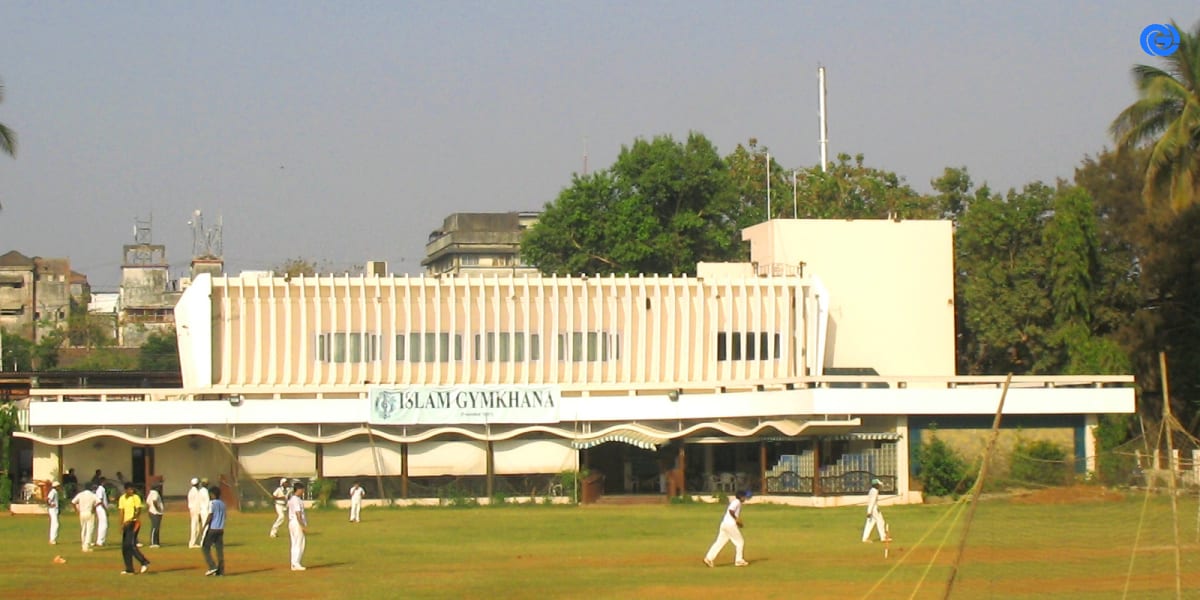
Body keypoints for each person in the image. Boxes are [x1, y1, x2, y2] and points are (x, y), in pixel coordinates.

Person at [704, 490, 749, 568]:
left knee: (719, 542)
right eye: (744, 496)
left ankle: (709, 558)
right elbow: (731, 510)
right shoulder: (737, 502)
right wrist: (736, 519)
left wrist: (737, 522)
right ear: (741, 497)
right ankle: (739, 560)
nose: (745, 498)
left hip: (725, 524)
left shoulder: (736, 502)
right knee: (740, 542)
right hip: (730, 525)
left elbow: (731, 512)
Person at [117, 482, 151, 575]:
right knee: (125, 547)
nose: (132, 491)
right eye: (130, 489)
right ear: (126, 490)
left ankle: (144, 562)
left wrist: (131, 519)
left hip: (134, 523)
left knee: (131, 545)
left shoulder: (135, 498)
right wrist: (121, 524)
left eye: (132, 489)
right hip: (126, 524)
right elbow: (121, 512)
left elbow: (138, 511)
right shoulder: (122, 498)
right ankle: (129, 569)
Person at [201, 485, 227, 576]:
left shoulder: (212, 503)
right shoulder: (223, 504)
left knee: (205, 547)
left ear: (212, 494)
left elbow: (210, 515)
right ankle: (221, 571)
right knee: (219, 550)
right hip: (220, 529)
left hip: (213, 529)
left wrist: (204, 526)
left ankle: (212, 566)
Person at [72, 483, 99, 552]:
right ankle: (86, 546)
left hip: (82, 513)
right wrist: (94, 508)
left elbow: (73, 502)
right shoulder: (92, 495)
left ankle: (83, 545)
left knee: (83, 529)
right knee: (89, 529)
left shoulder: (80, 494)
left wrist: (76, 510)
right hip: (89, 512)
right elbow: (99, 502)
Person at [862, 478, 891, 543]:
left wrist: (869, 511)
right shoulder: (875, 491)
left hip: (872, 509)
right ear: (876, 485)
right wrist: (869, 511)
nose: (879, 486)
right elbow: (872, 502)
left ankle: (865, 538)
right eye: (878, 485)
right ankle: (883, 537)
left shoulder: (872, 490)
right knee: (881, 521)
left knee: (870, 523)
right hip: (874, 509)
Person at [287, 482, 308, 571]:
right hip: (296, 522)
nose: (303, 491)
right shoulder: (295, 500)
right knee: (299, 543)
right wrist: (302, 525)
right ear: (298, 490)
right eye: (302, 490)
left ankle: (294, 563)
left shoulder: (292, 499)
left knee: (295, 543)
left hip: (292, 522)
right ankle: (296, 563)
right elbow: (298, 513)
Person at [187, 477, 204, 548]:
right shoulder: (196, 492)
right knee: (195, 527)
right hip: (195, 510)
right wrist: (199, 512)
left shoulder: (191, 491)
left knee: (195, 526)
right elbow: (197, 503)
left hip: (192, 509)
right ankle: (192, 543)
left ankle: (193, 542)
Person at [146, 483, 164, 548]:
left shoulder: (150, 493)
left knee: (156, 527)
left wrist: (148, 510)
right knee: (155, 527)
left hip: (153, 512)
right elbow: (154, 501)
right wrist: (158, 508)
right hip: (155, 513)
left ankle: (156, 542)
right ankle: (153, 543)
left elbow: (147, 503)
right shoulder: (155, 493)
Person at [94, 477, 110, 547]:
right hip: (101, 508)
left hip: (100, 508)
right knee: (104, 525)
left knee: (102, 524)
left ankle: (100, 540)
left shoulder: (101, 489)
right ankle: (100, 541)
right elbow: (100, 500)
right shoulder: (100, 489)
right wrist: (105, 509)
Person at [47, 480, 62, 545]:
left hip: (54, 510)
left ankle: (52, 539)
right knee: (55, 524)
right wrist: (50, 504)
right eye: (58, 486)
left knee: (54, 524)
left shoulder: (55, 492)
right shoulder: (53, 492)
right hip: (52, 509)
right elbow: (47, 499)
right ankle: (52, 539)